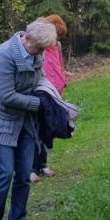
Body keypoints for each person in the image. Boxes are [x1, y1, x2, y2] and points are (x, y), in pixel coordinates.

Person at [0, 18, 57, 220]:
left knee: (24, 173)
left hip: (26, 122)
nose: (40, 54)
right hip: (1, 121)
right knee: (4, 172)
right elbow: (6, 96)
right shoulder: (5, 55)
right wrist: (38, 104)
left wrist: (49, 95)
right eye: (39, 48)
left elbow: (40, 77)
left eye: (43, 50)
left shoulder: (37, 53)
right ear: (27, 38)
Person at [31, 14, 68, 182]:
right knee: (35, 130)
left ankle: (43, 165)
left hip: (55, 93)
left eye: (59, 37)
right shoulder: (39, 48)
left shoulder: (57, 47)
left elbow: (59, 66)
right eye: (55, 36)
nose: (56, 40)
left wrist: (62, 83)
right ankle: (31, 168)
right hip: (40, 93)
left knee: (48, 129)